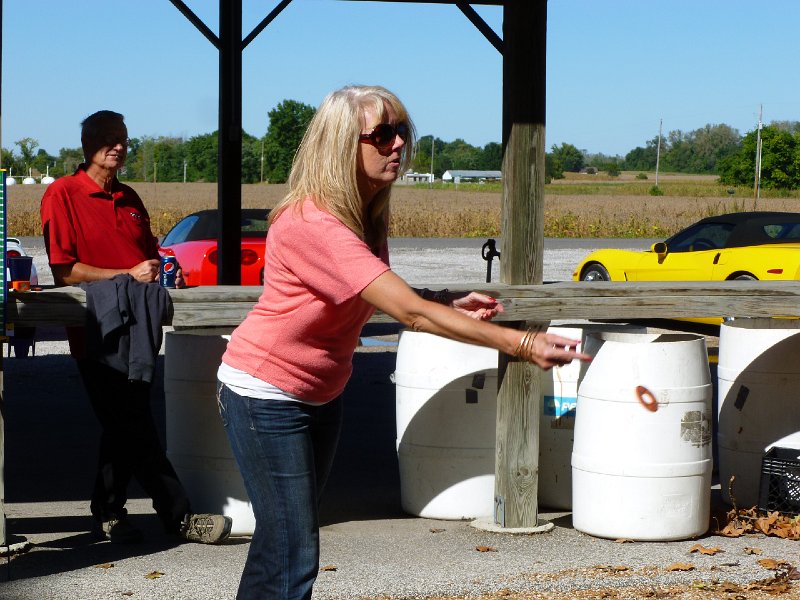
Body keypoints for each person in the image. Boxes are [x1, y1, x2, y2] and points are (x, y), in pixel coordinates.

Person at [217, 85, 591, 599]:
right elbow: (409, 314)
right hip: (265, 395)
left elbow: (373, 290)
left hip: (319, 393)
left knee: (280, 544)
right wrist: (521, 345)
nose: (398, 145)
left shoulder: (364, 214)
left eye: (402, 132)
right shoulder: (313, 223)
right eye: (382, 134)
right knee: (293, 551)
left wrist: (444, 297)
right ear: (341, 145)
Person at [40, 110, 232, 545]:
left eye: (124, 138)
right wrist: (127, 274)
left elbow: (153, 255)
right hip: (98, 329)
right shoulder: (62, 194)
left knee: (122, 424)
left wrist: (170, 272)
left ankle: (108, 511)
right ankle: (180, 517)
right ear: (87, 143)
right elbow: (64, 271)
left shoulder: (129, 198)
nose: (118, 146)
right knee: (134, 424)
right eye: (109, 138)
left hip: (142, 329)